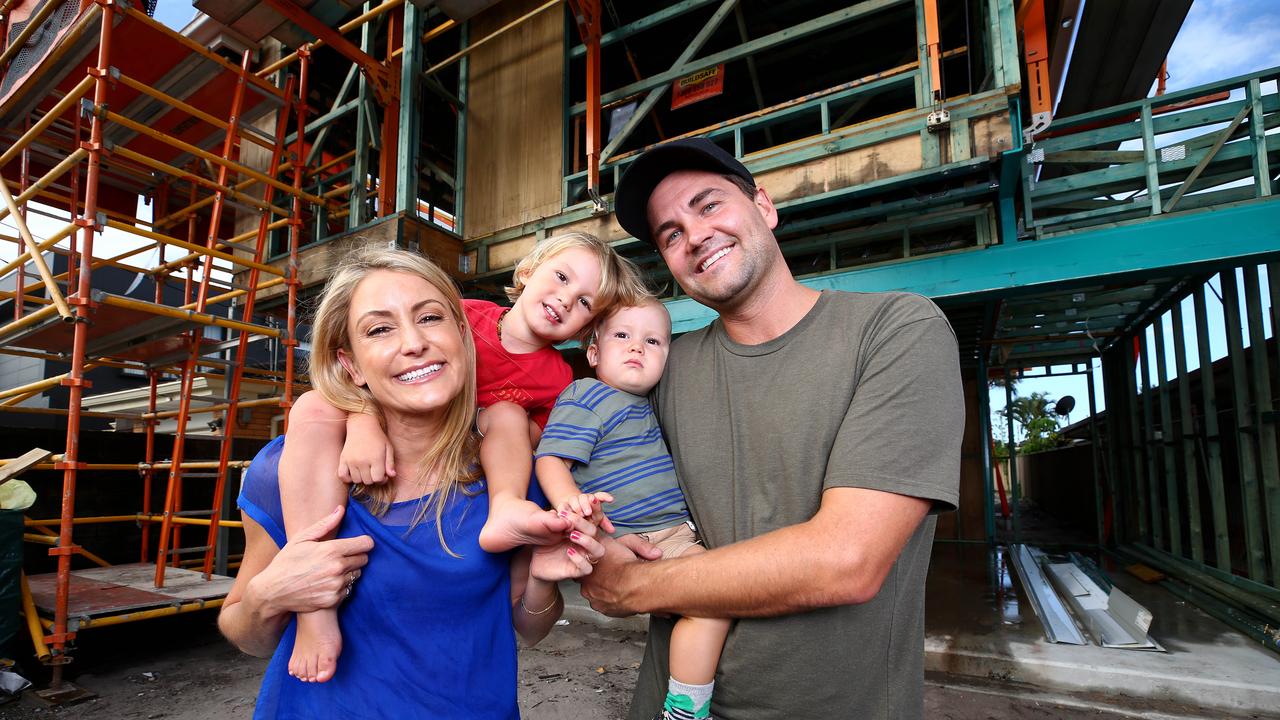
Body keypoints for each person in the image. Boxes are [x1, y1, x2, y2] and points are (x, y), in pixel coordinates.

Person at [579, 138, 964, 720]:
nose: (696, 235)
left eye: (708, 206)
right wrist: (383, 416)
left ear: (764, 205)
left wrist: (628, 586)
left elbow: (846, 560)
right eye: (671, 234)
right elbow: (538, 414)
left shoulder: (894, 331)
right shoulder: (665, 370)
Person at [217, 247, 607, 717]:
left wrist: (545, 580)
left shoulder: (514, 475)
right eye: (380, 328)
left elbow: (528, 629)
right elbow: (245, 635)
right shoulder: (288, 468)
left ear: (463, 336)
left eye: (430, 318)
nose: (413, 342)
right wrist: (269, 595)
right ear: (352, 365)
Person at [277, 232, 648, 682]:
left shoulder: (558, 378)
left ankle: (505, 506)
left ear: (586, 329)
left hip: (472, 447)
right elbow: (386, 374)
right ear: (527, 272)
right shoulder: (464, 314)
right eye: (561, 277)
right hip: (400, 428)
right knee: (314, 405)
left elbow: (543, 443)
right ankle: (314, 597)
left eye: (585, 302)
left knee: (508, 413)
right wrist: (362, 422)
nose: (565, 300)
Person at [535, 297, 729, 720]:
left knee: (713, 605)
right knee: (708, 602)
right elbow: (551, 459)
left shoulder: (656, 403)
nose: (637, 347)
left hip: (675, 534)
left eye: (653, 341)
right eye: (622, 336)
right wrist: (572, 504)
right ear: (593, 353)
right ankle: (687, 710)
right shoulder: (587, 394)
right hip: (623, 534)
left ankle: (684, 709)